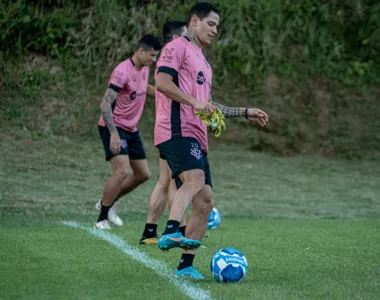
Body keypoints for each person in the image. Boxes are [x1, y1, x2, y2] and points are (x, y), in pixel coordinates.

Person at [154, 2, 268, 279]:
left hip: (197, 134)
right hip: (176, 129)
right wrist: (194, 102)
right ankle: (170, 231)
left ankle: (186, 267)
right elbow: (161, 82)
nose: (215, 30)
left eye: (217, 26)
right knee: (193, 181)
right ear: (194, 21)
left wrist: (243, 112)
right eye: (211, 24)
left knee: (205, 202)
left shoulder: (203, 61)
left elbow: (207, 104)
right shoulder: (176, 47)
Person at [94, 34, 162, 230]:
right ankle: (102, 218)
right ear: (140, 51)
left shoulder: (145, 68)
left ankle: (107, 202)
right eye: (151, 55)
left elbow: (143, 87)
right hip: (113, 126)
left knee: (143, 174)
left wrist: (164, 94)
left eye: (155, 56)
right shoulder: (122, 72)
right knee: (122, 170)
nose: (154, 60)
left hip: (131, 128)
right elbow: (105, 104)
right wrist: (114, 133)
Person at [139, 20, 189, 245]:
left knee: (166, 180)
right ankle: (177, 231)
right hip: (172, 128)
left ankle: (150, 232)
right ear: (176, 38)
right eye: (186, 36)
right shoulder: (173, 59)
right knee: (178, 181)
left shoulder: (166, 59)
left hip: (164, 126)